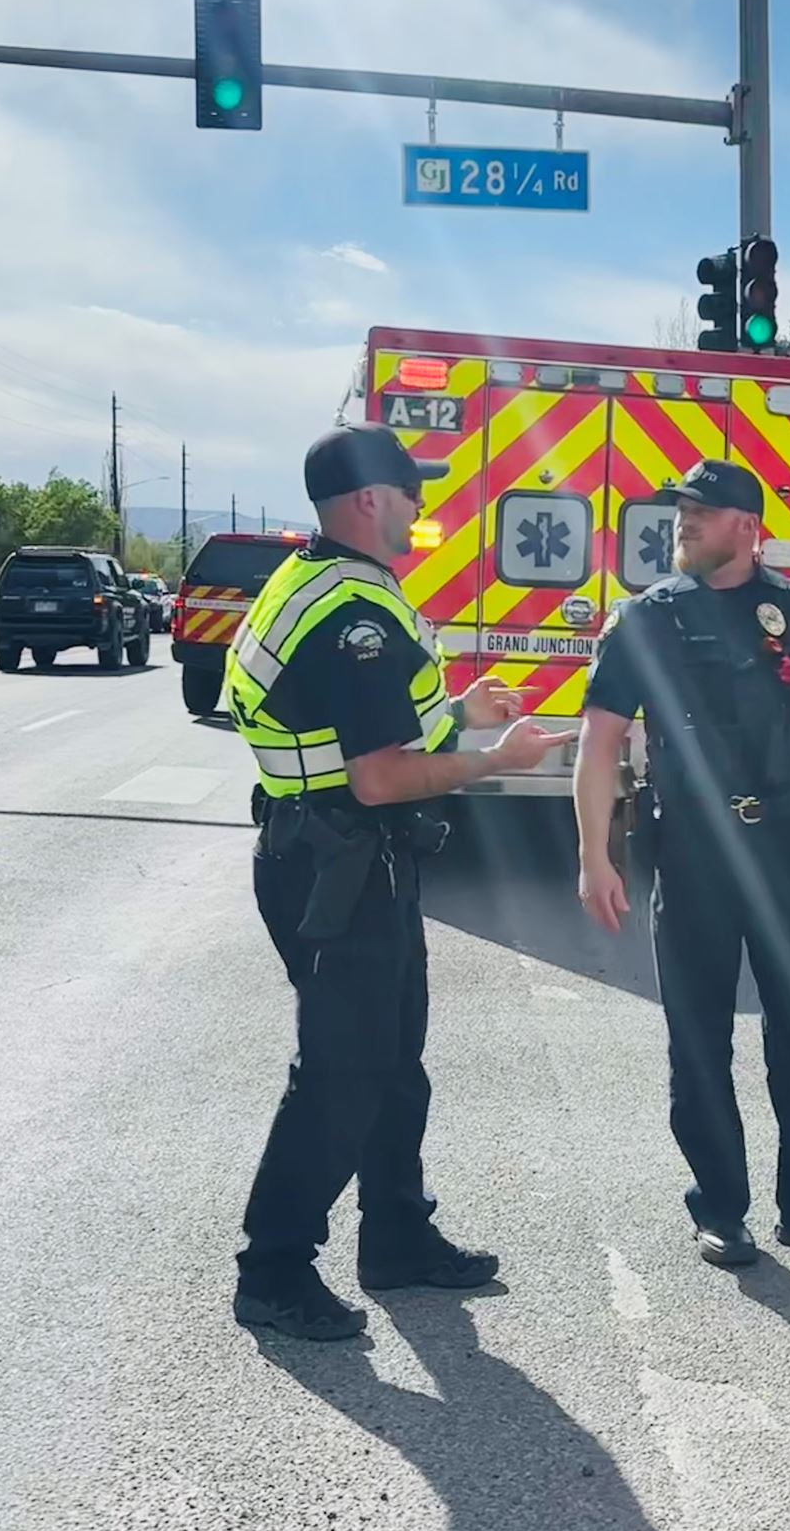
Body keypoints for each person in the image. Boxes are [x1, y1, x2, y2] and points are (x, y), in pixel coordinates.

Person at [225, 424, 568, 1341]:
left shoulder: (322, 582)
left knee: (392, 1058)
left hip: (341, 857)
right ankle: (273, 1271)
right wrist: (493, 760)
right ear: (370, 499)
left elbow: (365, 735)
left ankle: (397, 1237)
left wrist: (457, 713)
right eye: (413, 491)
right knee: (342, 1071)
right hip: (336, 866)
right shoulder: (355, 616)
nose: (422, 506)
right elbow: (378, 776)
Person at [572, 459, 790, 1269]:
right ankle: (720, 1208)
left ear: (747, 527)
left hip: (785, 851)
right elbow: (599, 742)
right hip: (693, 853)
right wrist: (594, 855)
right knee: (699, 1043)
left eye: (702, 510)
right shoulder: (647, 618)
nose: (683, 521)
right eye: (681, 509)